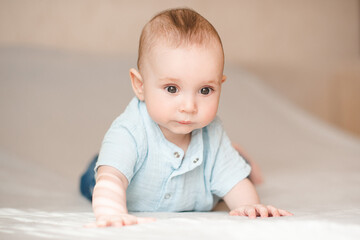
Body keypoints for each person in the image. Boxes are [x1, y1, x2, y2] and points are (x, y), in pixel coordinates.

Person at [80, 7, 292, 228]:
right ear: (140, 86)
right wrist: (112, 212)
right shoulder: (130, 131)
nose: (189, 107)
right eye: (172, 89)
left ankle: (239, 157)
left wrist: (250, 206)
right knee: (100, 173)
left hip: (200, 185)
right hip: (120, 172)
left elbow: (235, 185)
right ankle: (99, 161)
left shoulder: (212, 136)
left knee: (235, 171)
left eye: (205, 90)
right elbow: (111, 179)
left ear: (220, 86)